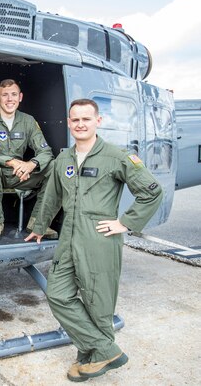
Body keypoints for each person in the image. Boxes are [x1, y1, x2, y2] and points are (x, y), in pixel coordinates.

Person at [25, 99, 163, 382]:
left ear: (98, 121)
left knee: (98, 304)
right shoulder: (63, 159)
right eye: (75, 120)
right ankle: (104, 350)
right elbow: (50, 197)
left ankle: (88, 356)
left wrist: (125, 222)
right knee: (58, 295)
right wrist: (39, 226)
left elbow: (152, 191)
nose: (80, 124)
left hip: (99, 239)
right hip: (68, 239)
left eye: (86, 119)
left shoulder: (116, 157)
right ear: (69, 122)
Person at [0, 79, 57, 240]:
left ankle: (37, 222)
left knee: (54, 166)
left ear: (20, 97)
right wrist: (10, 161)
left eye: (13, 94)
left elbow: (46, 151)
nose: (9, 99)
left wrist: (31, 164)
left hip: (21, 175)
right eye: (4, 95)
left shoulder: (28, 120)